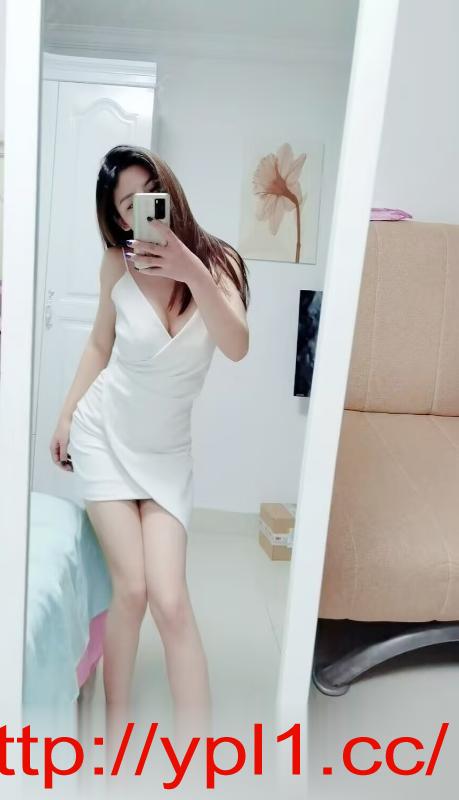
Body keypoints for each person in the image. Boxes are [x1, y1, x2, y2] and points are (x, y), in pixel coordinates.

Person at [49, 144, 250, 756]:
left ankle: (200, 758)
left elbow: (236, 345)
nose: (140, 209)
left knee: (170, 599)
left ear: (168, 189)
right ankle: (116, 731)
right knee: (131, 589)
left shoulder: (219, 263)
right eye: (125, 205)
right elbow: (98, 345)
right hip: (104, 437)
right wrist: (66, 415)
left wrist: (191, 270)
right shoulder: (117, 264)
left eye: (147, 194)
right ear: (117, 218)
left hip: (165, 455)